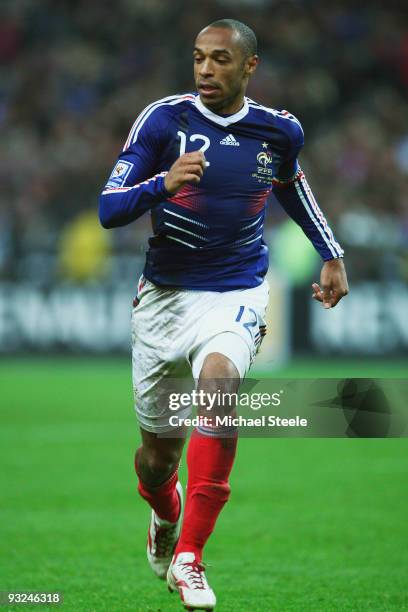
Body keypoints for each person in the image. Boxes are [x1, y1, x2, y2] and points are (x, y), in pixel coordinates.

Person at [99, 18, 349, 611]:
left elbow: (291, 184)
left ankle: (191, 559)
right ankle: (165, 515)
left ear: (248, 66)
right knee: (158, 460)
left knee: (220, 389)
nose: (206, 70)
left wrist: (331, 253)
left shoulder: (279, 130)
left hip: (235, 290)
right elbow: (110, 209)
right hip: (163, 299)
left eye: (218, 59)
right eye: (198, 59)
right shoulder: (164, 120)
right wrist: (163, 183)